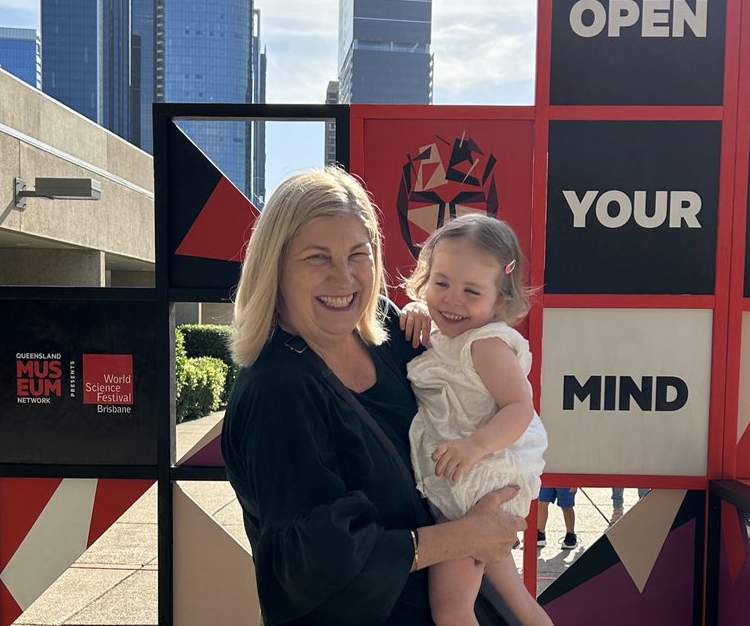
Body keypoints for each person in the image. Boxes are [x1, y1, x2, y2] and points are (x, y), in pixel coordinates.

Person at [219, 169, 525, 626]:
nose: (343, 278)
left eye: (357, 255)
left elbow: (471, 376)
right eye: (317, 257)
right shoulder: (275, 391)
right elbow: (314, 561)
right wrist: (465, 538)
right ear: (275, 266)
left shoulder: (387, 331)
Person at [402, 214, 552, 626]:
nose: (452, 300)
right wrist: (417, 308)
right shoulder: (446, 331)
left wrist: (475, 446)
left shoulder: (486, 346)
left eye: (471, 291)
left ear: (499, 301)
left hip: (474, 484)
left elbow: (520, 408)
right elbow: (434, 313)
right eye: (442, 283)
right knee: (515, 599)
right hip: (465, 478)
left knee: (451, 611)